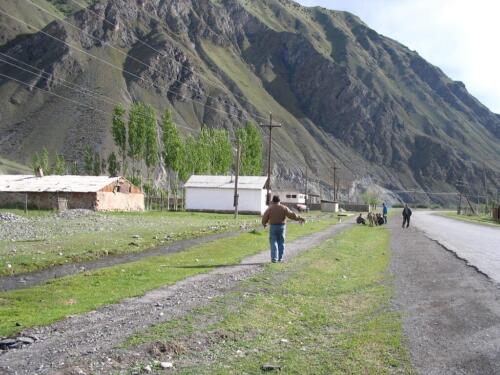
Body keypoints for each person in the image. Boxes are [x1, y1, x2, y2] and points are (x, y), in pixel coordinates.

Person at [262, 195, 305, 263]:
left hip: (273, 227)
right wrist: (299, 218)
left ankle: (274, 259)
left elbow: (265, 216)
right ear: (279, 201)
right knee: (281, 242)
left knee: (273, 242)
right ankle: (280, 258)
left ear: (273, 201)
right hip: (282, 227)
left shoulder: (270, 208)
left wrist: (264, 223)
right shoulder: (284, 208)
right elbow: (291, 215)